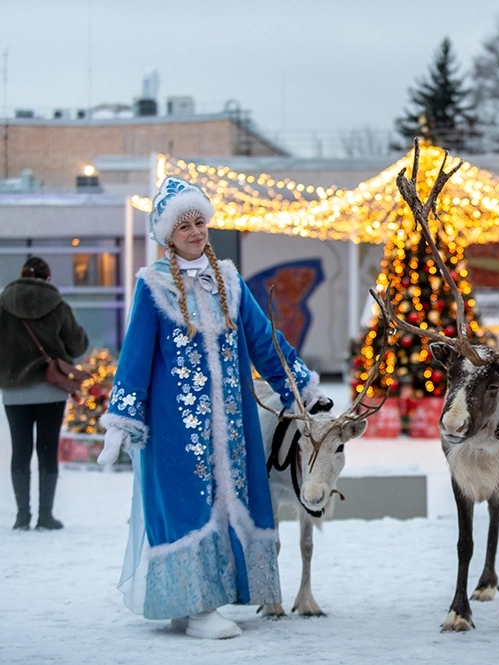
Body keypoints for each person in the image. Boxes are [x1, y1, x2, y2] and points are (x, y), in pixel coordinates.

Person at [96, 176, 331, 640]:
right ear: (167, 234)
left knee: (228, 503)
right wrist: (121, 420)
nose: (195, 231)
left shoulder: (230, 281)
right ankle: (196, 608)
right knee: (187, 507)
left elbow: (265, 344)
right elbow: (136, 355)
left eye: (199, 221)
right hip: (175, 428)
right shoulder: (152, 286)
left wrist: (300, 390)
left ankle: (205, 600)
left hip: (232, 426)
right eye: (183, 225)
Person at [1, 256, 89, 530]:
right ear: (47, 278)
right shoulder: (58, 306)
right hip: (51, 390)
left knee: (21, 449)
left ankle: (22, 516)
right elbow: (77, 346)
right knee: (47, 449)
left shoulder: (3, 305)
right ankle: (46, 516)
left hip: (14, 390)